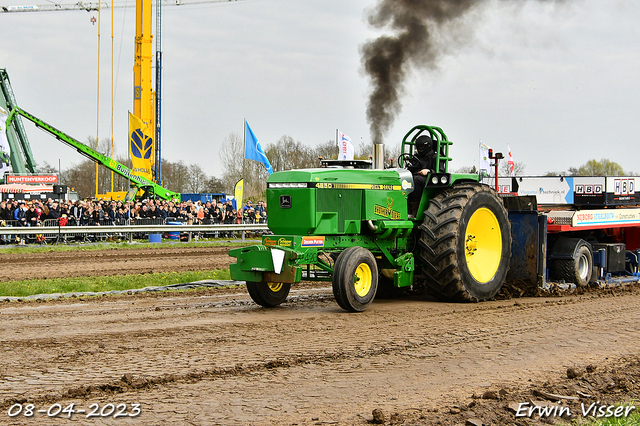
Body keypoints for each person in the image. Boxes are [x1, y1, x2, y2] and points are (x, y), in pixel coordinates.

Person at [407, 134, 438, 211]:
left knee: (416, 180)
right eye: (419, 147)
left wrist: (428, 171)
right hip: (415, 177)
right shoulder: (416, 157)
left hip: (430, 179)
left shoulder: (435, 157)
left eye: (422, 147)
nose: (420, 149)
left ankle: (415, 207)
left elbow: (440, 172)